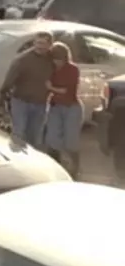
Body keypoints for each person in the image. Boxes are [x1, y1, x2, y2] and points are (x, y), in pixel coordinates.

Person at [0, 31, 55, 147]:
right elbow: (8, 83)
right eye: (38, 43)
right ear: (34, 43)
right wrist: (1, 102)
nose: (40, 46)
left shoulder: (52, 60)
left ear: (50, 45)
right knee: (19, 132)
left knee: (34, 136)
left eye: (43, 44)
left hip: (40, 103)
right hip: (21, 101)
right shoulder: (22, 60)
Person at [45, 42, 83, 176]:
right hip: (56, 106)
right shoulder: (51, 69)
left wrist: (51, 88)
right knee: (52, 138)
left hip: (71, 107)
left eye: (60, 59)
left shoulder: (73, 69)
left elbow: (66, 90)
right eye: (55, 59)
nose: (57, 62)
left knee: (71, 140)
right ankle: (56, 167)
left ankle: (75, 168)